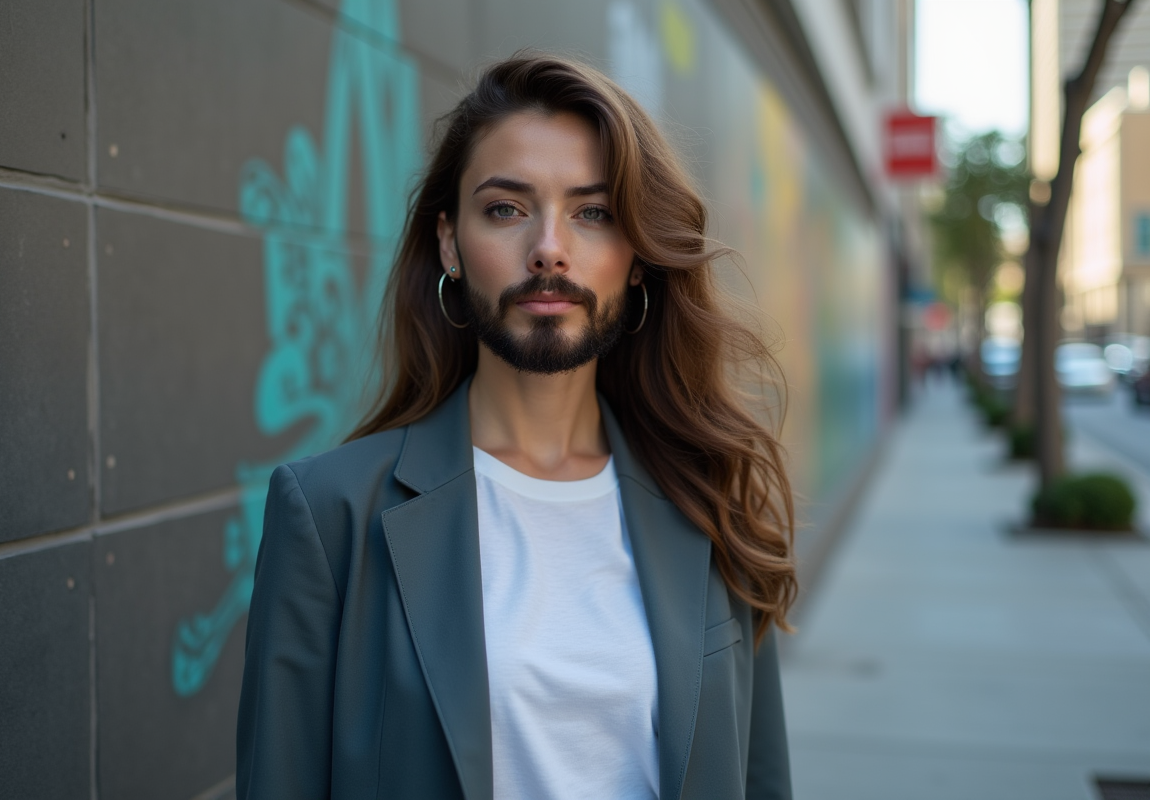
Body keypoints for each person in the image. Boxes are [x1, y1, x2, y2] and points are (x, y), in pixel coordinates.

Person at [237, 54, 797, 800]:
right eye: (506, 208)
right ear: (449, 243)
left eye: (593, 213)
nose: (548, 248)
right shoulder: (331, 515)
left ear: (636, 259)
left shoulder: (707, 499)